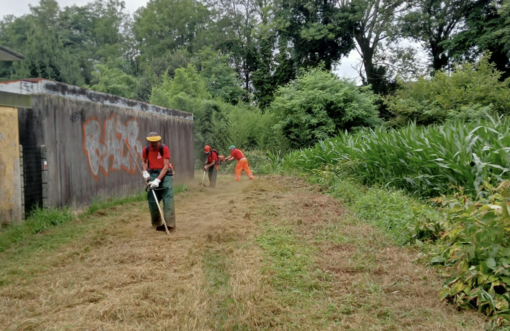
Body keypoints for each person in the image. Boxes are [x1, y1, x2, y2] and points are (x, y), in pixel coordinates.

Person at [142, 132, 175, 232]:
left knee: (168, 199)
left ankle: (169, 225)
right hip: (152, 174)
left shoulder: (164, 148)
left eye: (155, 141)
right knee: (152, 200)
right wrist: (145, 172)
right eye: (152, 142)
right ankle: (156, 223)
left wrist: (158, 180)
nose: (154, 144)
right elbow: (144, 162)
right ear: (149, 141)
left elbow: (165, 167)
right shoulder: (146, 150)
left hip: (165, 175)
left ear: (158, 140)